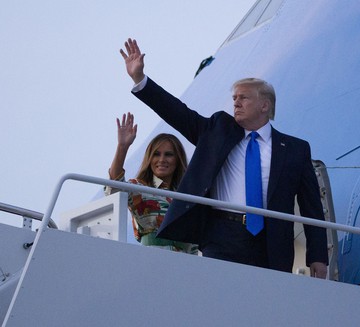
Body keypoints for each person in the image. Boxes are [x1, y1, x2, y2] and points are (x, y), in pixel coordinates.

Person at [119, 38, 328, 278]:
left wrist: (318, 257)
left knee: (265, 308)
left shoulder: (295, 149)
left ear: (264, 105)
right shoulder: (218, 130)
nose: (236, 103)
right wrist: (140, 80)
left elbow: (312, 208)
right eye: (234, 98)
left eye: (244, 98)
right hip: (221, 235)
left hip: (272, 242)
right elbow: (178, 112)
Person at [104, 111, 197, 254]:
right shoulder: (139, 188)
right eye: (156, 154)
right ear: (149, 158)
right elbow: (114, 187)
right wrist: (122, 147)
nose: (161, 160)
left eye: (169, 154)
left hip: (185, 263)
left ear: (178, 159)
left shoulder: (188, 196)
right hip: (152, 259)